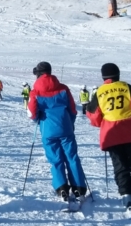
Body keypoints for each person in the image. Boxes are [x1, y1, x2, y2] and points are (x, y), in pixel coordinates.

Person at [86, 62, 131, 214]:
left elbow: (94, 117)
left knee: (120, 167)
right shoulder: (126, 87)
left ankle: (127, 198)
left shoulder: (100, 92)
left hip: (112, 136)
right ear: (118, 74)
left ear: (103, 77)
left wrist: (106, 123)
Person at [28, 62, 87, 204]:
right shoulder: (63, 88)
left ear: (38, 74)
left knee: (55, 159)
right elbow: (73, 109)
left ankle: (62, 189)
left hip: (48, 129)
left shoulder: (35, 91)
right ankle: (78, 188)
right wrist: (69, 122)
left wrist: (39, 120)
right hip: (65, 127)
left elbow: (31, 113)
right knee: (72, 157)